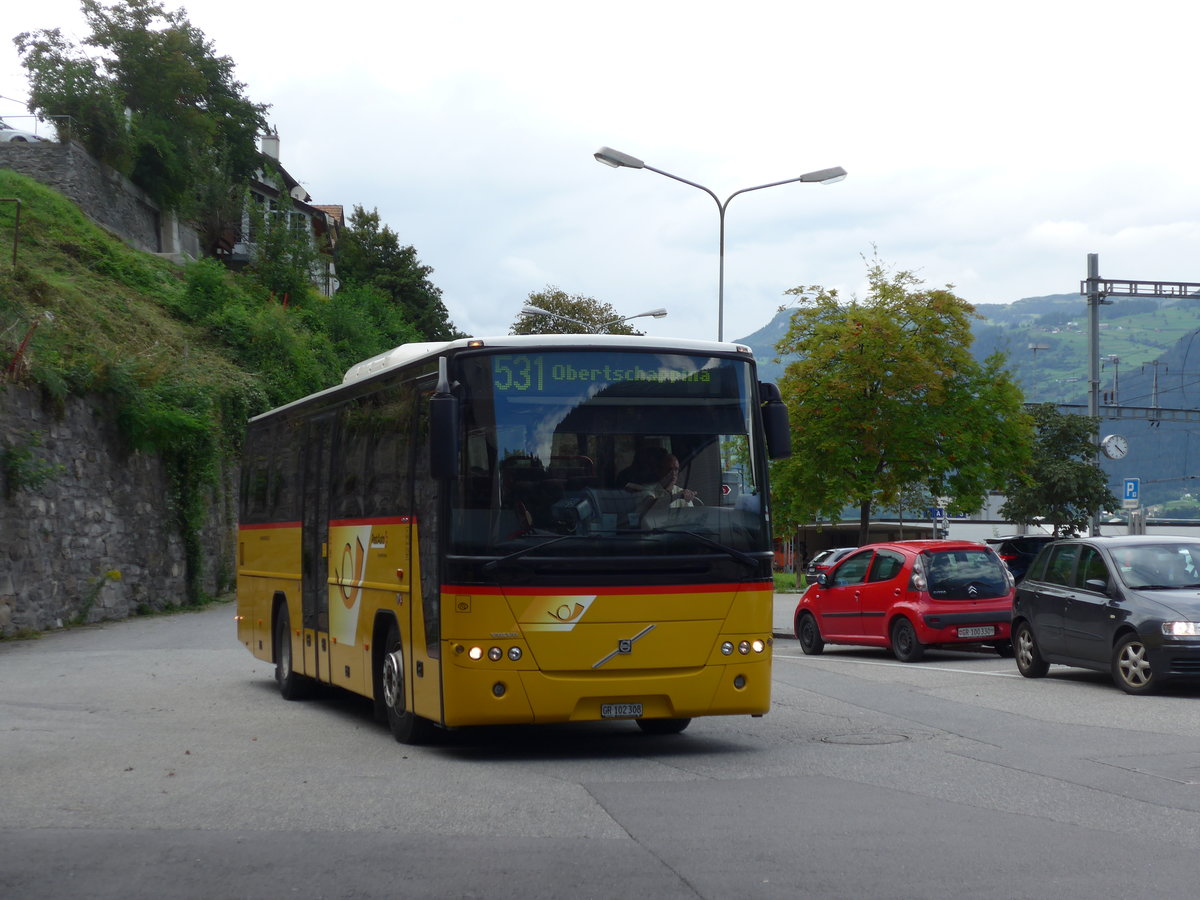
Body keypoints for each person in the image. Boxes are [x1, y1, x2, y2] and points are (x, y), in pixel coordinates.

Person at [633, 453, 700, 522]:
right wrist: (675, 494)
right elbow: (653, 507)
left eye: (676, 469)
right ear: (660, 471)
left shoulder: (681, 492)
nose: (673, 474)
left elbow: (691, 519)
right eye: (669, 470)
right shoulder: (646, 490)